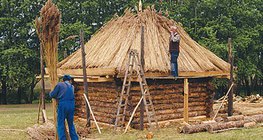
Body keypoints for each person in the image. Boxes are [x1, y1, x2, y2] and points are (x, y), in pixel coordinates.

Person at [50, 75, 79, 140]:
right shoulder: (72, 87)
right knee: (71, 124)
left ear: (63, 80)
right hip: (71, 105)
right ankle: (75, 138)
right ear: (70, 80)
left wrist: (50, 93)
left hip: (63, 105)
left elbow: (53, 95)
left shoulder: (60, 85)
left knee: (60, 124)